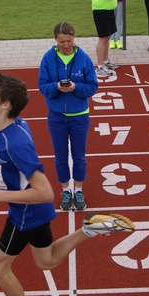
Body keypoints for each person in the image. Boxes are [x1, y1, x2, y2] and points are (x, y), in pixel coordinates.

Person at [0, 71, 134, 296]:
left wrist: (1, 196)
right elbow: (8, 160)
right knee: (46, 261)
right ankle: (89, 230)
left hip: (24, 214)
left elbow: (46, 192)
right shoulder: (11, 127)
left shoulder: (14, 142)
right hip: (34, 212)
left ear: (5, 105)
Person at [38, 22, 98, 212]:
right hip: (56, 116)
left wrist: (76, 87)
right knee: (61, 157)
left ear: (74, 38)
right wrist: (56, 87)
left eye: (69, 41)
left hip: (80, 116)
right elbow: (42, 86)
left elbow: (92, 86)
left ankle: (78, 190)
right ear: (55, 39)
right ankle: (66, 191)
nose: (66, 45)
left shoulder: (84, 59)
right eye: (62, 41)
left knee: (79, 156)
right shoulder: (48, 58)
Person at [91, 0, 123, 77]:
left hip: (109, 11)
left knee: (108, 37)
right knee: (103, 38)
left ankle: (106, 61)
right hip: (101, 11)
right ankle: (99, 66)